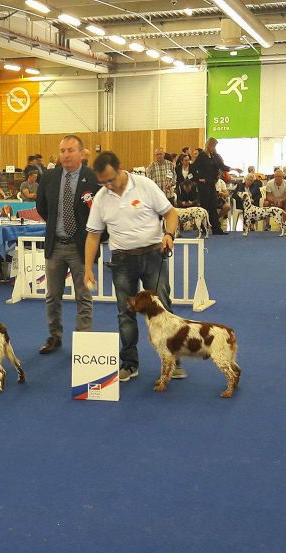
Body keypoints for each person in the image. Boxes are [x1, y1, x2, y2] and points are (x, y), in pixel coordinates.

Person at [83, 151, 182, 383]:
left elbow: (170, 213)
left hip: (153, 255)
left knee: (163, 308)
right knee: (125, 312)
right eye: (103, 182)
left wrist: (169, 234)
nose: (108, 185)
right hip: (122, 260)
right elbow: (93, 235)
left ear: (120, 169)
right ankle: (129, 363)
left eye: (110, 179)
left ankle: (173, 361)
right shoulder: (101, 198)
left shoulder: (145, 185)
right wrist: (87, 268)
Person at [35, 135, 98, 354]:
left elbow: (99, 212)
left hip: (81, 247)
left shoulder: (92, 178)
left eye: (70, 150)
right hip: (56, 246)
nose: (65, 155)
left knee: (84, 296)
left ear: (81, 153)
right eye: (62, 151)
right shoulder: (49, 177)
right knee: (52, 296)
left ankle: (83, 341)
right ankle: (54, 336)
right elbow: (42, 208)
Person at [194, 138, 230, 234]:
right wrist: (198, 179)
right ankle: (203, 228)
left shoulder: (215, 156)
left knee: (213, 207)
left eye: (215, 146)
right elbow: (192, 169)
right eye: (213, 146)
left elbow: (222, 166)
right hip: (203, 186)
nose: (214, 148)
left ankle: (216, 229)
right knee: (204, 207)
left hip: (211, 184)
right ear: (209, 145)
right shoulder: (202, 156)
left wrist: (234, 169)